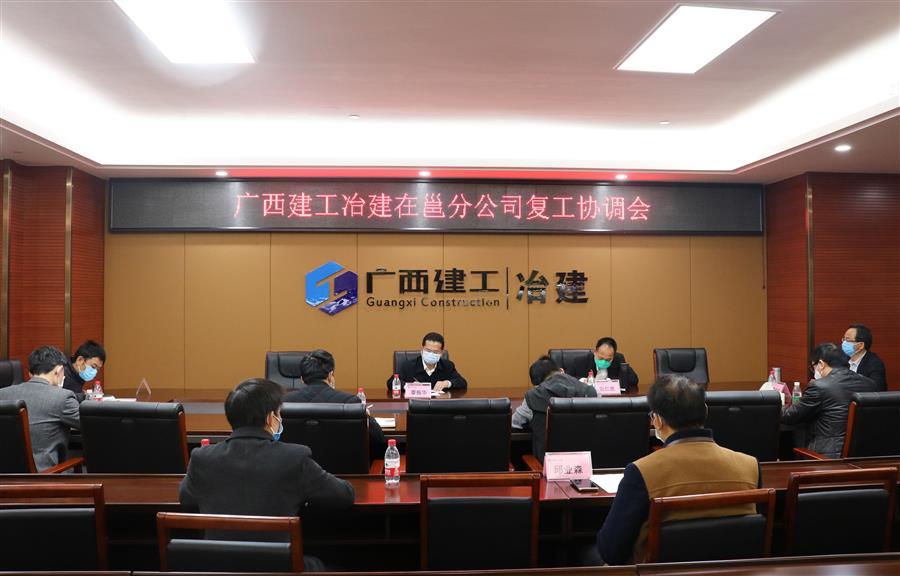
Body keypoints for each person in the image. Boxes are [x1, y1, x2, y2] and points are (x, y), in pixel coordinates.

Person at [180, 378, 354, 571]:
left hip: (218, 567)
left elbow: (185, 499)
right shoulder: (294, 457)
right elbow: (344, 495)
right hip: (278, 568)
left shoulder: (202, 458)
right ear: (271, 418)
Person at [594, 374, 759, 565]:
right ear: (705, 411)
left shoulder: (641, 471)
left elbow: (611, 551)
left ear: (657, 420)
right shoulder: (750, 466)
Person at [285, 349, 387, 462]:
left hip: (298, 470)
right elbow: (379, 439)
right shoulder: (350, 402)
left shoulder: (285, 403)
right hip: (344, 471)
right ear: (330, 375)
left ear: (302, 379)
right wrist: (367, 417)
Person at [782, 342, 879, 458]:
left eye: (813, 367)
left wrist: (776, 403)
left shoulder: (819, 386)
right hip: (864, 455)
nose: (814, 372)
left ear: (821, 364)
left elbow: (789, 416)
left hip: (826, 456)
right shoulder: (870, 384)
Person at [0, 346, 80, 471]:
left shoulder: (2, 394)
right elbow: (88, 424)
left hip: (5, 476)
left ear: (31, 372)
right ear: (59, 370)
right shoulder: (63, 397)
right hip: (46, 475)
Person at [518, 355, 597, 460]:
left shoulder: (534, 396)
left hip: (547, 465)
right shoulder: (590, 391)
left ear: (537, 384)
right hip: (585, 463)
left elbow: (515, 423)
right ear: (561, 370)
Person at [386, 331, 467, 392]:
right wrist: (408, 386)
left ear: (441, 353)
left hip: (439, 405)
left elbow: (462, 382)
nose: (431, 354)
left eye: (435, 352)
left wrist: (447, 383)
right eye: (428, 350)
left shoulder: (447, 366)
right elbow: (390, 382)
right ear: (422, 350)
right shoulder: (408, 366)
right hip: (416, 406)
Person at [572, 337, 639, 392]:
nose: (604, 362)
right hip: (588, 399)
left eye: (608, 360)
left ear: (613, 356)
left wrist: (609, 381)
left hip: (610, 399)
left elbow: (633, 380)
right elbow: (568, 379)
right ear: (595, 352)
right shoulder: (580, 361)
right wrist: (582, 380)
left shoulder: (618, 359)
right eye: (601, 358)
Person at [843, 324, 886, 391]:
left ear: (861, 345)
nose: (844, 343)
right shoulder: (841, 359)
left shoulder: (875, 364)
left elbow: (877, 390)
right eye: (844, 339)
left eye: (848, 340)